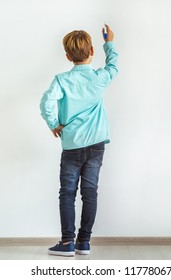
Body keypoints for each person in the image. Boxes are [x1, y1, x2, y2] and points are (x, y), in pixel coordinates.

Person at [40, 24, 118, 256]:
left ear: (67, 56)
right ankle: (84, 242)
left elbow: (46, 103)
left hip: (72, 144)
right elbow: (113, 65)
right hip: (96, 145)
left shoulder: (62, 80)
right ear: (91, 50)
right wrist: (109, 43)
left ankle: (67, 243)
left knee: (67, 192)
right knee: (90, 192)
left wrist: (54, 124)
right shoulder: (100, 77)